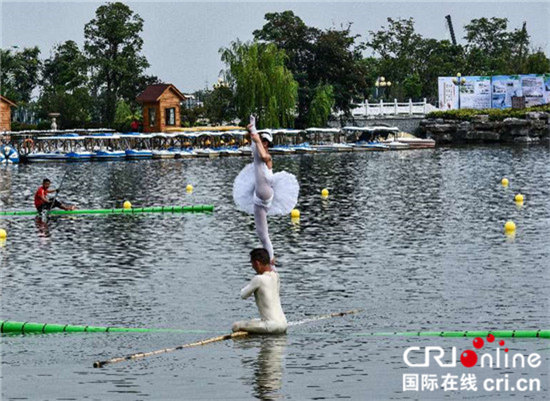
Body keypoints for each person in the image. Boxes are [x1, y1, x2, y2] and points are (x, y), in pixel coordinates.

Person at [233, 116, 299, 265]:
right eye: (260, 140)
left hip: (266, 197)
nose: (259, 143)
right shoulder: (257, 154)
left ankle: (271, 262)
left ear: (266, 143)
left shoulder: (267, 157)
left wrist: (257, 139)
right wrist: (253, 128)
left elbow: (263, 154)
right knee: (262, 234)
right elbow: (254, 147)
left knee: (264, 234)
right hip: (257, 200)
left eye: (262, 141)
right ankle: (271, 260)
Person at [232, 248, 288, 334]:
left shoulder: (258, 279)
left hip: (271, 326)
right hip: (283, 324)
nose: (252, 267)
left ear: (257, 263)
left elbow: (243, 295)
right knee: (254, 320)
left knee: (235, 326)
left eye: (252, 264)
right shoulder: (276, 276)